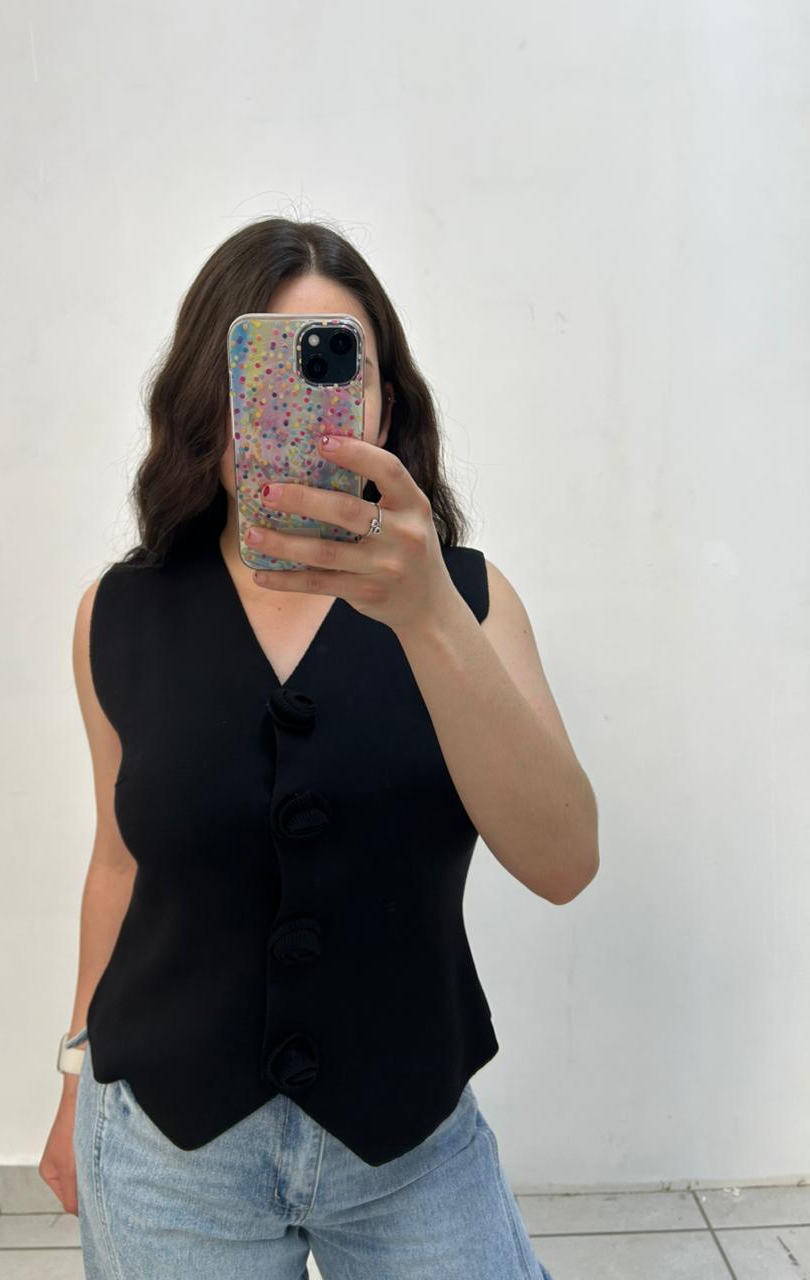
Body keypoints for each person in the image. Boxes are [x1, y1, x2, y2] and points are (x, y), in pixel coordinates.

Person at [39, 216, 598, 1279]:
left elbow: (566, 860)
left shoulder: (469, 601)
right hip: (167, 1147)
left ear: (385, 401)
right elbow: (117, 862)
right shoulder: (117, 614)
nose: (304, 401)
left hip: (410, 1142)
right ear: (212, 394)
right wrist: (72, 1081)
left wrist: (428, 615)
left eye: (341, 366)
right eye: (266, 369)